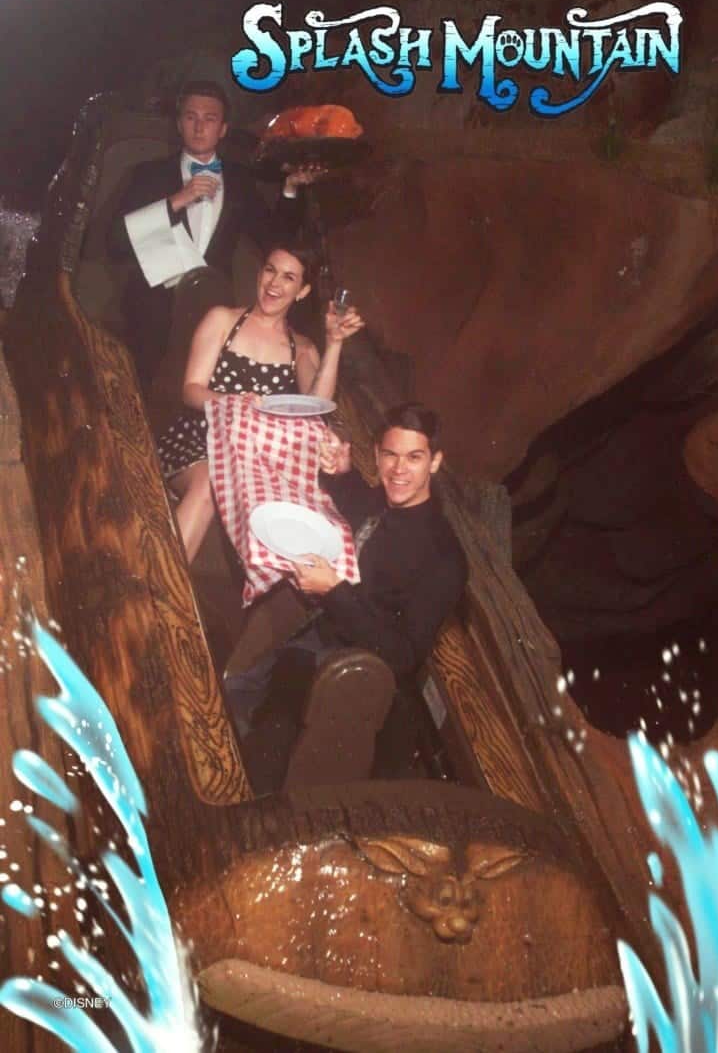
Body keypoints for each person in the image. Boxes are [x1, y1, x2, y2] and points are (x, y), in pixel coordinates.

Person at [224, 401, 468, 789]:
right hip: (323, 632)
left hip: (359, 677)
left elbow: (403, 657)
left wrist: (334, 592)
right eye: (389, 455)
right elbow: (363, 508)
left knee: (273, 735)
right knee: (254, 698)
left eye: (414, 458)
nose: (399, 470)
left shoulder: (444, 558)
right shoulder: (386, 499)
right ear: (377, 454)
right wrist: (341, 474)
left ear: (435, 462)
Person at [158, 240, 364, 563]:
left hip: (255, 456)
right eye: (270, 270)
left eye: (288, 277)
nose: (274, 284)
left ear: (303, 291)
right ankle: (163, 585)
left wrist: (334, 343)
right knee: (209, 483)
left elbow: (316, 408)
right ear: (259, 274)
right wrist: (235, 402)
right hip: (202, 439)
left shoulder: (303, 348)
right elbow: (192, 390)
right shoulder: (222, 319)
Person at [108, 79, 316, 391]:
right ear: (179, 124)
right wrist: (176, 201)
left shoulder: (240, 181)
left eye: (210, 119)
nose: (199, 127)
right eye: (191, 117)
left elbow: (275, 239)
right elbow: (114, 244)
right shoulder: (147, 175)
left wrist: (291, 189)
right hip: (149, 317)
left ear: (223, 129)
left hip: (214, 314)